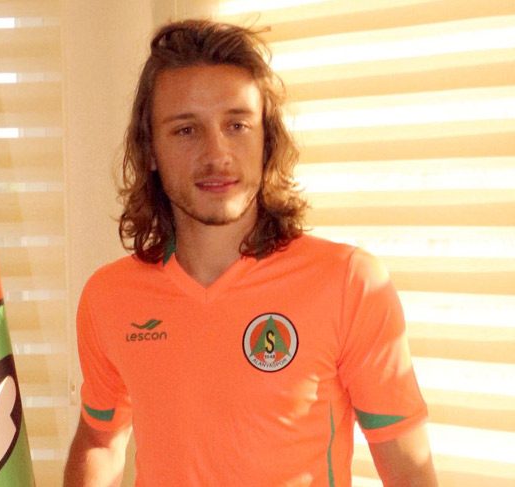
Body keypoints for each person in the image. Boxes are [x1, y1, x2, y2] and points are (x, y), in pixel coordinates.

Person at [63, 19, 437, 487]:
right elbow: (100, 441)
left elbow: (407, 468)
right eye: (186, 130)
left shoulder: (349, 281)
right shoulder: (109, 295)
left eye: (237, 125)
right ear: (150, 149)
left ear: (266, 140)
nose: (217, 154)